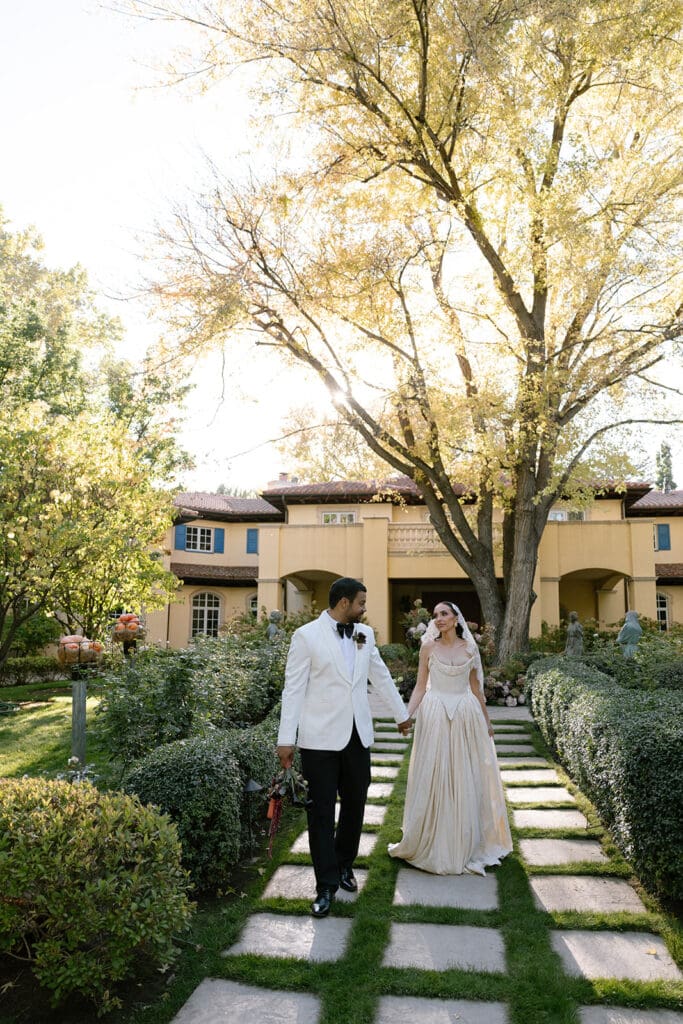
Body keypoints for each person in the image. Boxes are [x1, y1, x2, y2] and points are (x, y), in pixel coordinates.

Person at [277, 577, 412, 917]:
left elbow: (379, 675)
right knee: (321, 812)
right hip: (318, 740)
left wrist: (401, 715)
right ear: (343, 604)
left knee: (355, 806)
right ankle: (325, 885)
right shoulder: (306, 636)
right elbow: (293, 690)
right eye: (361, 603)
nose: (364, 609)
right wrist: (285, 739)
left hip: (357, 738)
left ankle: (344, 865)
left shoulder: (364, 635)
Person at [389, 601, 512, 875]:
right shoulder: (428, 647)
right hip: (434, 714)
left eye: (444, 614)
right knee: (435, 773)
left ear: (457, 618)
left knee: (463, 775)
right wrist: (406, 715)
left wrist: (487, 721)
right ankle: (433, 835)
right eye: (436, 615)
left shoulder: (470, 648)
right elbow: (421, 687)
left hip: (465, 715)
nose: (439, 619)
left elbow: (476, 688)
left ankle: (463, 838)